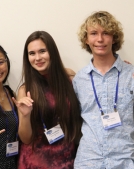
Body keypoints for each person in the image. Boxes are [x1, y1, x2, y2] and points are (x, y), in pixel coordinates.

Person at [73, 11, 134, 168]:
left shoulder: (133, 74)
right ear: (86, 39)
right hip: (88, 160)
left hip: (123, 160)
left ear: (114, 38)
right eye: (93, 33)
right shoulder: (79, 79)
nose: (100, 39)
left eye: (106, 33)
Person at [12, 31, 82, 168]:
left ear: (52, 52)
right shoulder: (25, 90)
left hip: (67, 160)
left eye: (42, 51)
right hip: (35, 163)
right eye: (32, 53)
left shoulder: (69, 80)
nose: (37, 58)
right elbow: (25, 139)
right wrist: (25, 116)